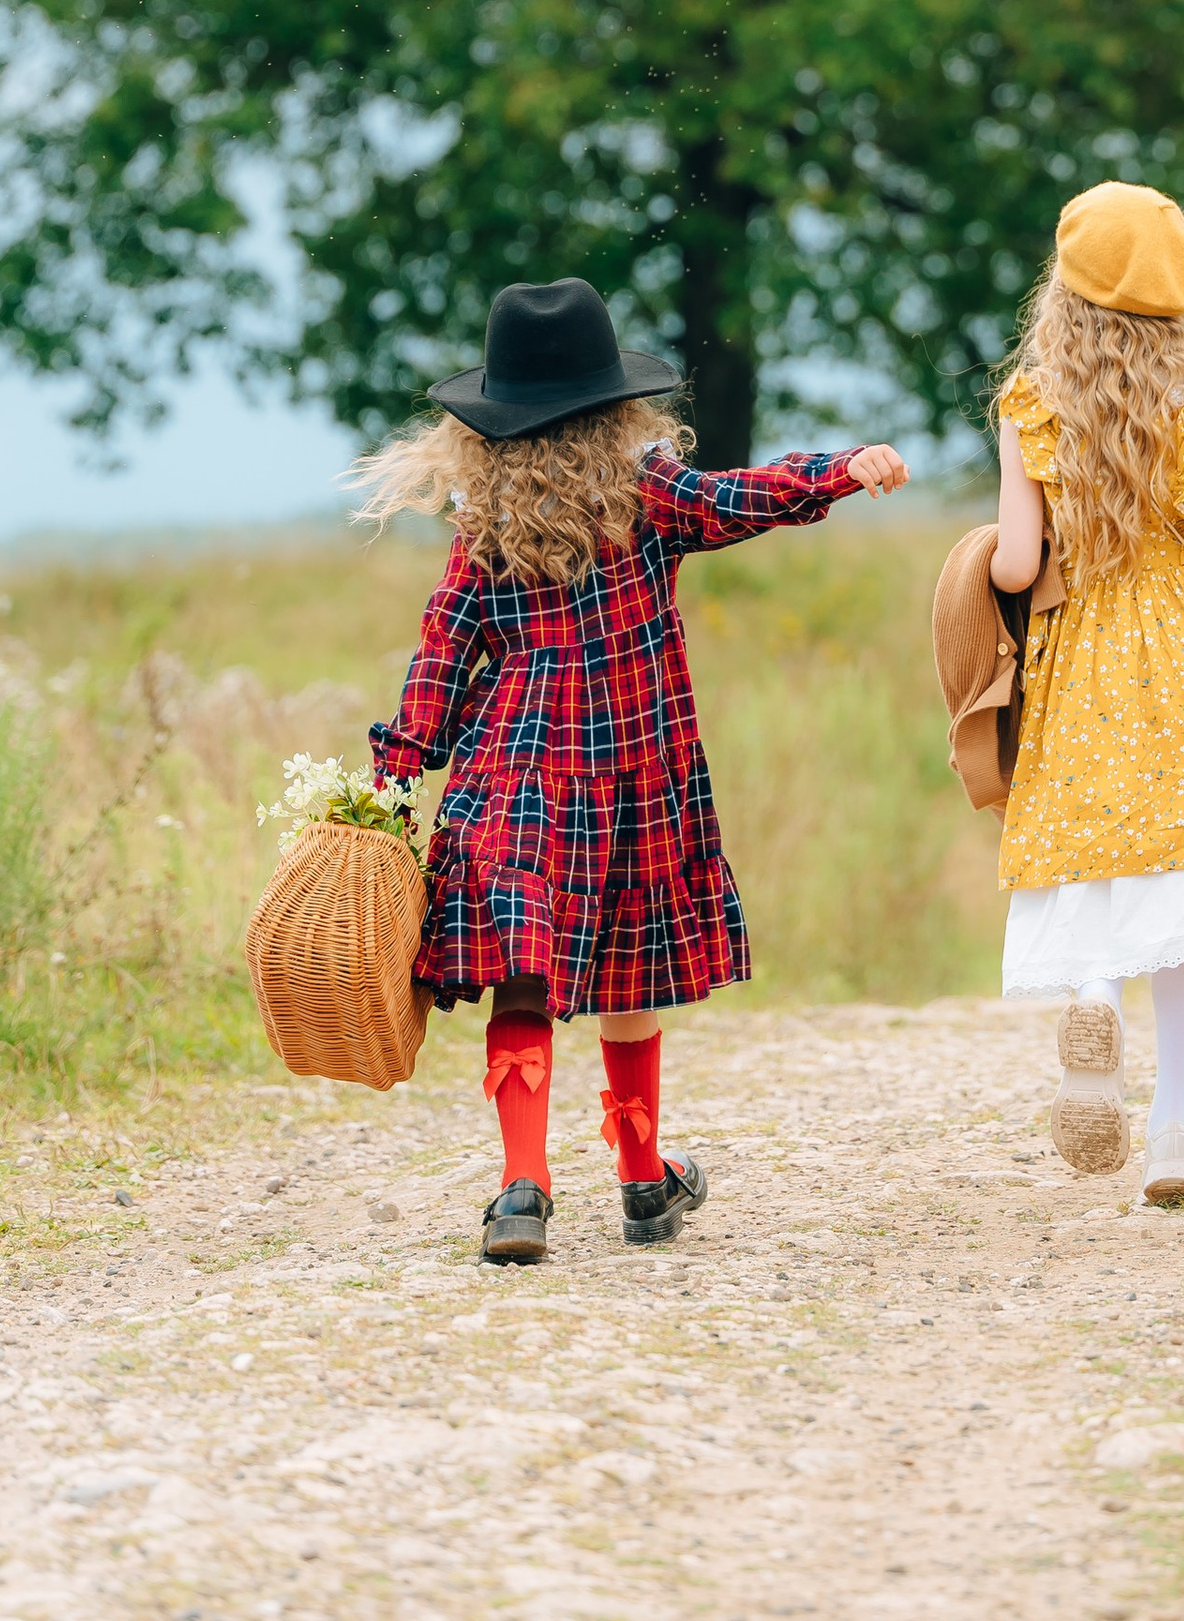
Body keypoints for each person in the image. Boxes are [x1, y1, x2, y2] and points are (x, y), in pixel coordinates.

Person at [354, 277, 907, 1264]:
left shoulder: (480, 530)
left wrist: (390, 781)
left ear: (491, 423)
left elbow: (441, 658)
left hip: (514, 785)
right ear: (617, 409)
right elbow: (744, 498)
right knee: (628, 972)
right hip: (637, 786)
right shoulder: (648, 497)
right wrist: (840, 469)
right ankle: (643, 1183)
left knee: (522, 980)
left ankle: (521, 1191)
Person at [990, 183, 1184, 1208]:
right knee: (1183, 879)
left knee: (1093, 849)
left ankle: (1091, 995)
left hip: (1080, 649)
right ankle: (1174, 1131)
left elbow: (1015, 561)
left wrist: (996, 563)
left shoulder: (1031, 408)